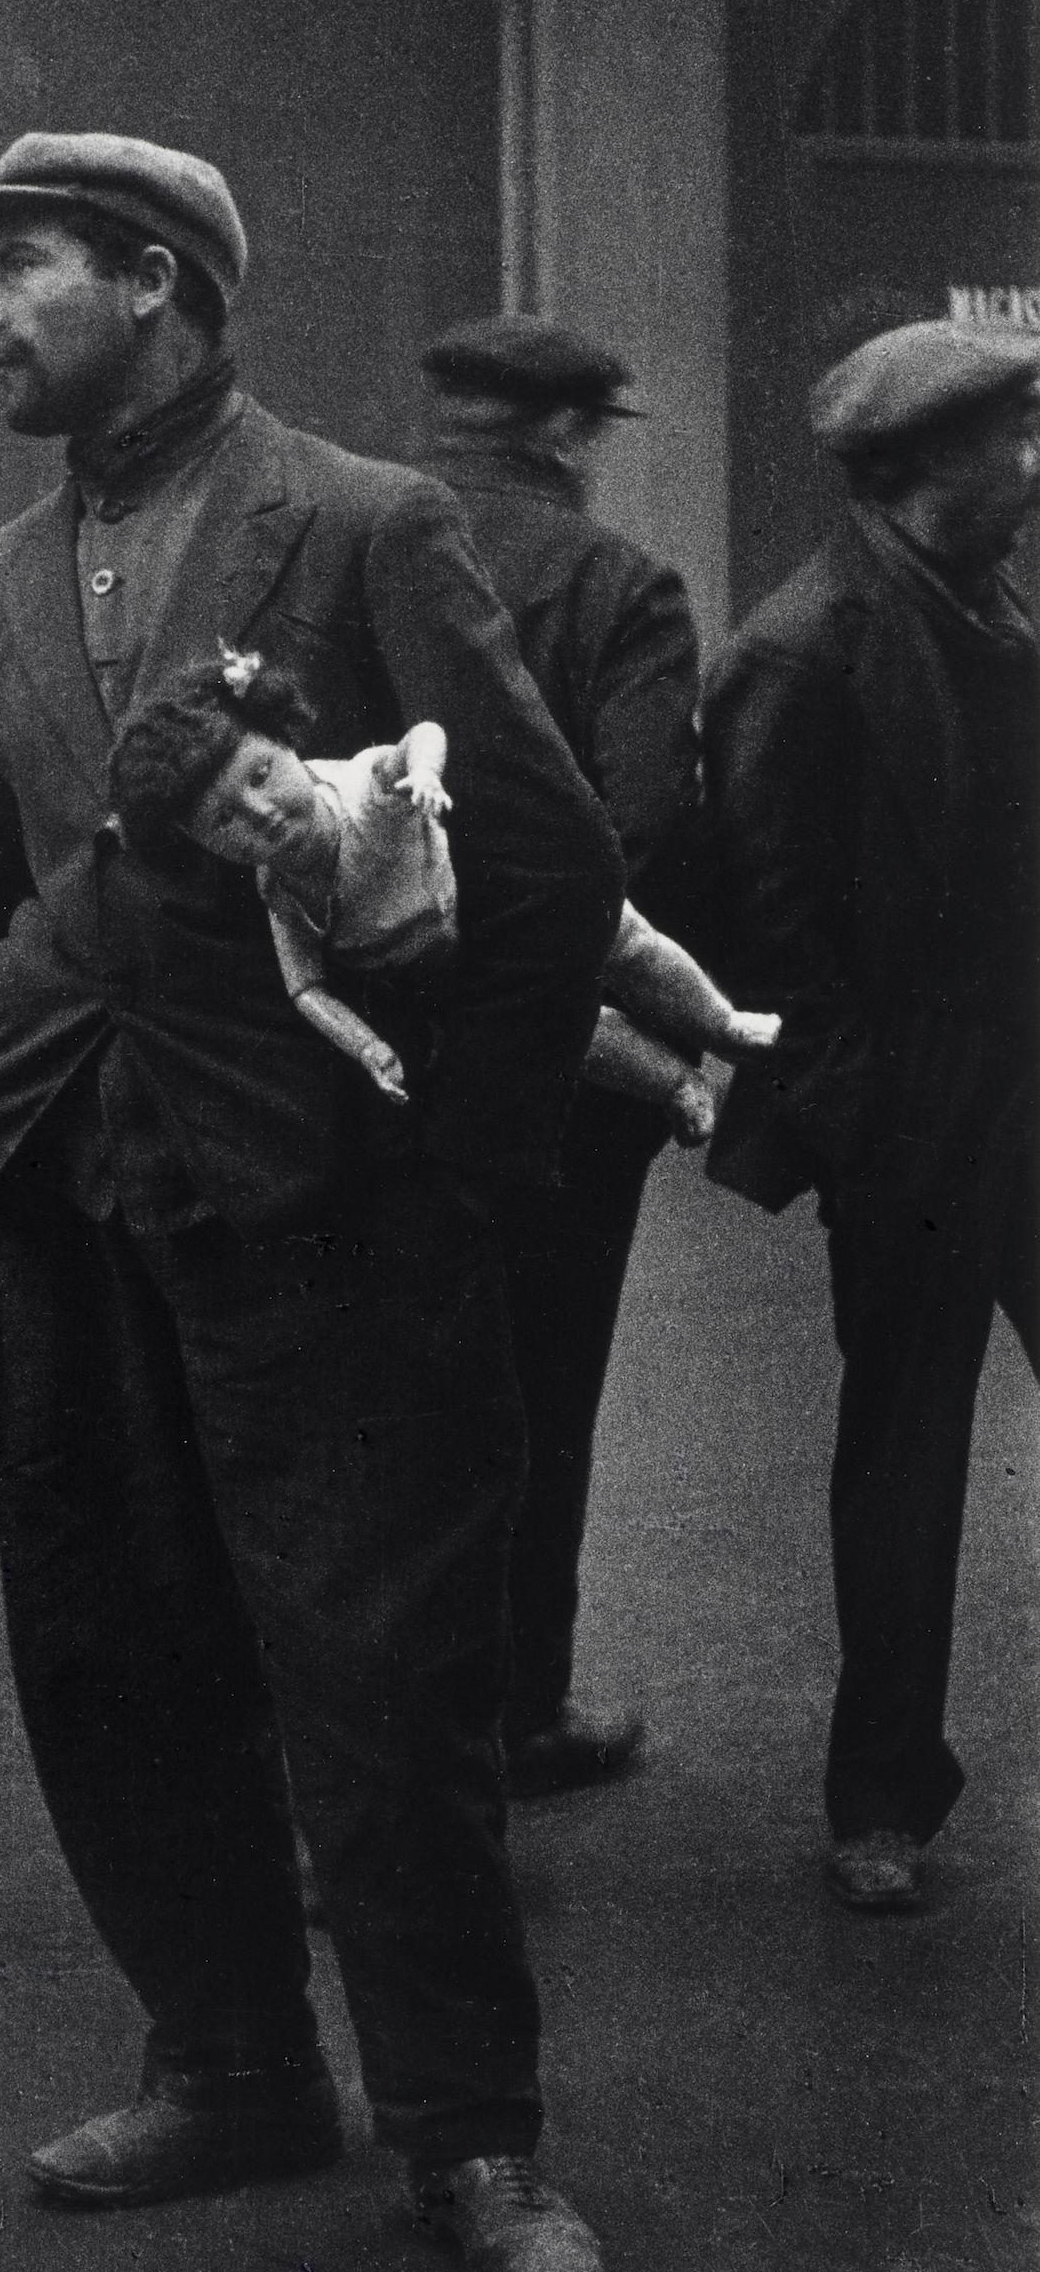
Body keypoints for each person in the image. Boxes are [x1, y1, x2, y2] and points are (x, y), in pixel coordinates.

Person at [0, 130, 624, 2272]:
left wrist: (448, 1165)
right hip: (61, 1202)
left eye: (18, 272)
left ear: (155, 282)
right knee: (112, 1658)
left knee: (382, 1687)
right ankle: (227, 2063)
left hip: (324, 1216)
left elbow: (551, 877)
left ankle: (470, 2140)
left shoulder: (363, 525)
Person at [703, 320, 1039, 1915]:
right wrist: (863, 1126)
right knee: (904, 1455)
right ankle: (879, 1797)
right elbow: (767, 936)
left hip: (1030, 1081)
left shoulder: (993, 608)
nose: (1035, 470)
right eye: (1010, 444)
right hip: (914, 1111)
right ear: (916, 471)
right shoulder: (802, 647)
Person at [410, 316, 706, 1794]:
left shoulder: (335, 547)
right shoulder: (617, 588)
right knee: (541, 1390)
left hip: (354, 1051)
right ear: (570, 433)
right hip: (554, 1068)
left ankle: (360, 1738)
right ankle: (520, 1713)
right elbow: (638, 826)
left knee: (370, 1399)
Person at [110, 644, 775, 1141]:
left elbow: (421, 734)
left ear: (285, 740)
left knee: (625, 945)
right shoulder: (280, 892)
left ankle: (720, 1023)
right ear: (197, 845)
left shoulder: (366, 788)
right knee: (566, 1033)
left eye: (260, 773)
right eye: (222, 820)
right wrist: (366, 1047)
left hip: (497, 892)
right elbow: (306, 989)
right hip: (447, 965)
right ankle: (676, 1084)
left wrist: (423, 776)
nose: (258, 813)